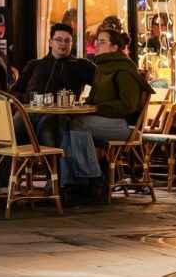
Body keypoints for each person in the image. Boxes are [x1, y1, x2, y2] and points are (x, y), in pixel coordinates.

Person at [59, 27, 153, 206]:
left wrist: (96, 108)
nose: (97, 45)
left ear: (114, 47)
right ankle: (71, 183)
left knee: (79, 125)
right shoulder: (102, 67)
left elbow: (128, 105)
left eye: (102, 42)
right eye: (97, 42)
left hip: (123, 126)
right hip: (103, 120)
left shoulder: (124, 69)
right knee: (65, 123)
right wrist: (84, 104)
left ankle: (93, 179)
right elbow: (93, 98)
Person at [11, 23, 96, 101]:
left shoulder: (81, 65)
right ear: (50, 42)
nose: (63, 44)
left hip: (62, 114)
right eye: (59, 40)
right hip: (29, 111)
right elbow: (16, 90)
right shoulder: (34, 64)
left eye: (67, 41)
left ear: (71, 43)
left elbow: (102, 83)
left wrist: (88, 102)